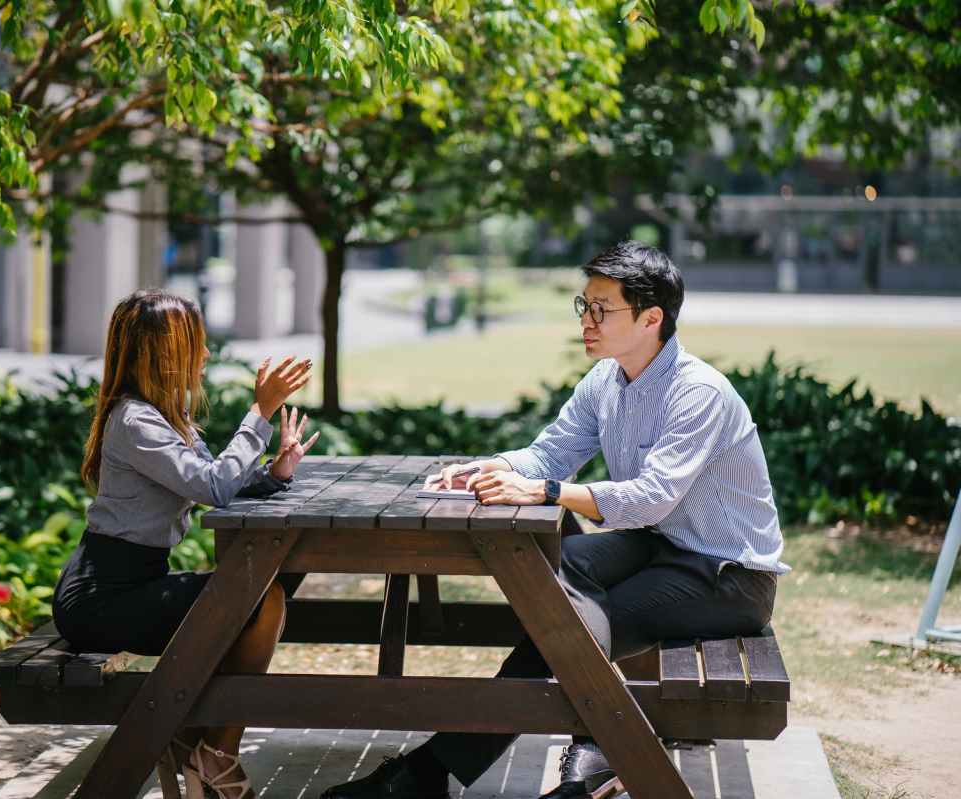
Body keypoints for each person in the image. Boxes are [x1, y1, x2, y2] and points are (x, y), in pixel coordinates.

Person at [321, 241, 787, 799]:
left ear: (651, 318)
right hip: (661, 546)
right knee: (550, 575)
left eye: (602, 309)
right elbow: (552, 452)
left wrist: (544, 491)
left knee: (563, 627)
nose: (586, 320)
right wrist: (489, 468)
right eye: (584, 305)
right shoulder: (606, 381)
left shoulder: (698, 393)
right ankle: (586, 757)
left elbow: (651, 498)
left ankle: (445, 772)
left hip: (728, 576)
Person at [53, 289, 319, 799]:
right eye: (196, 343)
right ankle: (213, 753)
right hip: (101, 599)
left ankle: (203, 742)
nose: (207, 354)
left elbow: (215, 477)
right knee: (260, 600)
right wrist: (260, 413)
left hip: (133, 583)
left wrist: (274, 474)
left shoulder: (162, 415)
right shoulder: (135, 421)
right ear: (164, 352)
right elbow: (212, 487)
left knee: (259, 597)